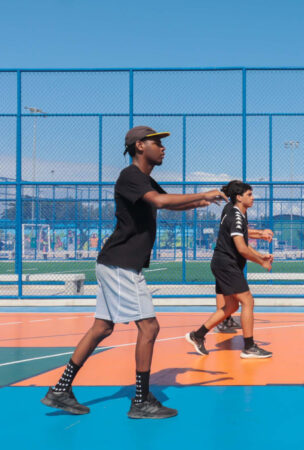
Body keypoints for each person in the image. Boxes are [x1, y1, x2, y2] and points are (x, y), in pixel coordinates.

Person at [41, 126, 226, 419]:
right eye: (158, 143)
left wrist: (202, 201)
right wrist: (203, 192)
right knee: (149, 327)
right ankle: (140, 401)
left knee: (102, 327)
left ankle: (60, 390)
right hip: (120, 264)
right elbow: (161, 201)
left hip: (116, 262)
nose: (164, 148)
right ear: (140, 146)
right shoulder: (130, 177)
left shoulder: (144, 179)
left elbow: (169, 203)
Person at [186, 180, 274, 359]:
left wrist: (260, 254)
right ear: (239, 197)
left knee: (231, 306)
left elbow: (243, 239)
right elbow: (241, 248)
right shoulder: (236, 216)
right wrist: (261, 261)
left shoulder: (235, 212)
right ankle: (249, 347)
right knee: (248, 301)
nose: (253, 197)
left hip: (222, 263)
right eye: (249, 194)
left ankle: (198, 335)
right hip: (226, 265)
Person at [215, 226, 273, 333]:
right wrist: (261, 234)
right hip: (226, 262)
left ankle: (224, 320)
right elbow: (242, 240)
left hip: (231, 262)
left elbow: (244, 240)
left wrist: (261, 255)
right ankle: (217, 325)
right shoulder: (232, 211)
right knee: (245, 300)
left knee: (232, 301)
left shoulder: (240, 215)